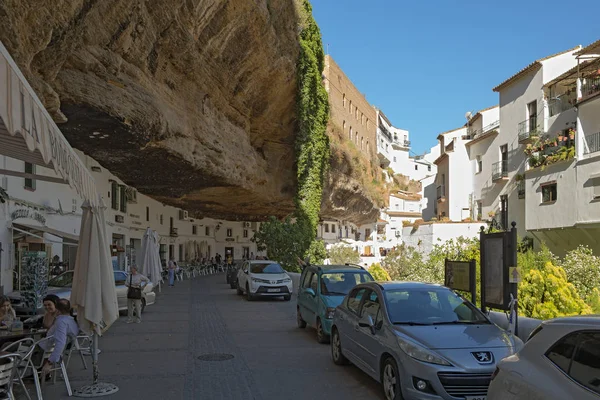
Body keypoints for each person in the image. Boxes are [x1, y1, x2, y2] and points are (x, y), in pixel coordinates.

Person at [39, 299, 79, 374]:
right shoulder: (71, 321)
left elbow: (61, 342)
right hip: (50, 350)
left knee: (16, 350)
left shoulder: (61, 322)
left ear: (57, 310)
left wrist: (50, 362)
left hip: (44, 351)